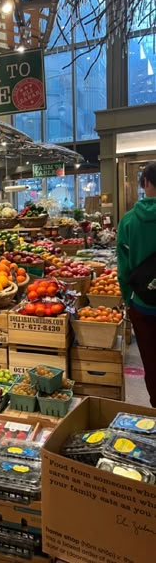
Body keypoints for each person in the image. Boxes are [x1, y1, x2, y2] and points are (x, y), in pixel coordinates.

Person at [117, 162, 156, 406]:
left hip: (142, 305)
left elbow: (123, 269)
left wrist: (128, 297)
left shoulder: (129, 221)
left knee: (151, 361)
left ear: (145, 184)